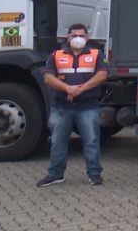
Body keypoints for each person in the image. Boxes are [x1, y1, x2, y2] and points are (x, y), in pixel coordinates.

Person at [37, 23, 108, 187]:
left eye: (81, 35)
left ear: (87, 38)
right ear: (67, 38)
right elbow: (48, 78)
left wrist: (80, 89)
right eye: (74, 35)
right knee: (58, 142)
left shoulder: (96, 54)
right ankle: (55, 175)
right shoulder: (56, 55)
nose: (78, 38)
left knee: (91, 141)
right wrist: (67, 88)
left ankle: (94, 175)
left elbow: (102, 75)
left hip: (88, 106)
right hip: (62, 106)